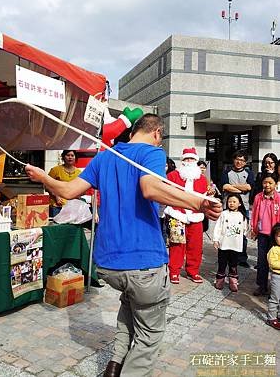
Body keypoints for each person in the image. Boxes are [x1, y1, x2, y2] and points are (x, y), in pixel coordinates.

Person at [25, 114, 222, 377]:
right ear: (157, 133)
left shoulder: (106, 156)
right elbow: (150, 188)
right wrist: (198, 203)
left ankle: (114, 365)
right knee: (149, 335)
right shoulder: (152, 152)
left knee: (130, 307)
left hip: (108, 265)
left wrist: (43, 177)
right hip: (143, 263)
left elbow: (68, 191)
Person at [164, 148, 208, 284]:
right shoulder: (172, 175)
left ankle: (193, 271)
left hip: (196, 216)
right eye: (186, 159)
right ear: (182, 160)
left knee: (195, 246)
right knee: (177, 244)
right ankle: (174, 271)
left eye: (192, 159)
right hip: (177, 214)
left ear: (196, 161)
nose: (189, 162)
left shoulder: (202, 179)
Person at [222, 150, 254, 268]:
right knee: (227, 231)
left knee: (242, 233)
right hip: (228, 206)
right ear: (233, 160)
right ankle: (226, 254)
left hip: (243, 207)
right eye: (237, 159)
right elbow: (225, 186)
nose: (239, 162)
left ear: (245, 162)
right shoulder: (227, 172)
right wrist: (241, 190)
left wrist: (232, 187)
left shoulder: (248, 172)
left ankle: (242, 257)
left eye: (242, 160)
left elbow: (249, 186)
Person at [251, 174, 280, 296]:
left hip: (275, 235)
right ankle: (262, 286)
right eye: (265, 182)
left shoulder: (278, 198)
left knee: (274, 260)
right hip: (262, 233)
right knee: (262, 260)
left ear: (276, 184)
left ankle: (275, 288)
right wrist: (253, 228)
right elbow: (254, 214)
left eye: (270, 183)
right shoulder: (258, 197)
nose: (267, 185)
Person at [213, 194, 248, 292]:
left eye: (234, 202)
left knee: (233, 264)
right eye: (229, 202)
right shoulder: (224, 214)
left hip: (235, 245)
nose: (231, 204)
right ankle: (220, 279)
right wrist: (216, 239)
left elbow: (245, 230)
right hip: (224, 244)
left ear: (240, 203)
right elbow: (218, 227)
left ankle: (233, 280)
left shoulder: (242, 216)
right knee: (222, 263)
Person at [48, 150, 81, 217]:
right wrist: (56, 195)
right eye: (68, 155)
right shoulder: (55, 170)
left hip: (73, 206)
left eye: (72, 155)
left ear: (75, 158)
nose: (70, 157)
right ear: (63, 157)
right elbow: (47, 185)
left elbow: (81, 188)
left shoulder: (79, 172)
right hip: (57, 206)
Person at [266, 223, 280, 330]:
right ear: (274, 237)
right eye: (279, 236)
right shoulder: (274, 250)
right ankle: (271, 318)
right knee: (275, 297)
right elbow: (272, 263)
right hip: (277, 277)